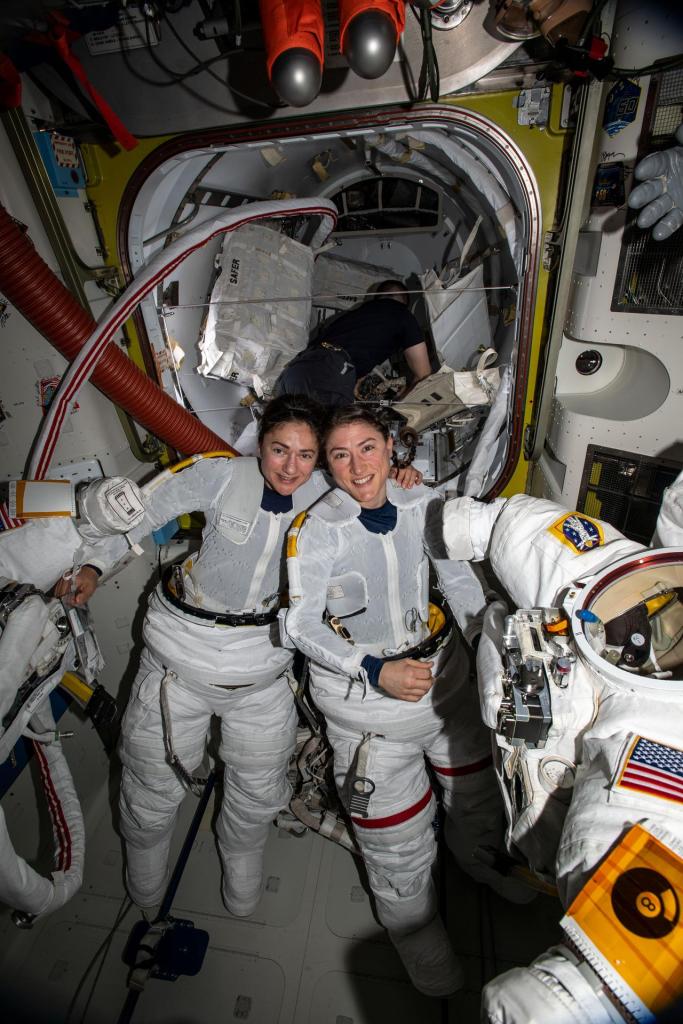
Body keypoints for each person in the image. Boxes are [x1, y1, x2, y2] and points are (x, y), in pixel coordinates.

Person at [57, 395, 421, 919]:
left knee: (258, 788)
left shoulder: (329, 496)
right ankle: (144, 862)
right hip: (178, 665)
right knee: (149, 780)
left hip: (262, 670)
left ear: (319, 459)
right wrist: (93, 565)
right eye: (279, 450)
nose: (290, 468)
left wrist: (404, 479)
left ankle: (242, 856)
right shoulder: (219, 475)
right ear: (261, 444)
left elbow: (380, 496)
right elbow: (143, 512)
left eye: (305, 456)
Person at [284, 405, 528, 999]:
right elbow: (299, 626)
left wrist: (488, 648)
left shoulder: (425, 504)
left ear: (391, 447)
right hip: (368, 714)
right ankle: (419, 939)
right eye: (340, 455)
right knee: (394, 844)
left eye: (367, 447)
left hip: (444, 685)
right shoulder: (316, 530)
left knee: (476, 794)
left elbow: (463, 582)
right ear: (328, 466)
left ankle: (481, 859)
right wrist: (374, 670)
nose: (356, 465)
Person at [441, 491, 683, 1023]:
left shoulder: (654, 754)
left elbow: (566, 1002)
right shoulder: (621, 580)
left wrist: (583, 996)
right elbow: (553, 547)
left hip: (558, 829)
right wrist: (482, 526)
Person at [275, 279, 433, 406]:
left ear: (377, 297)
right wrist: (399, 402)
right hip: (330, 375)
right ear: (405, 302)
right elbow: (425, 376)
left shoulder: (356, 315)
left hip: (296, 370)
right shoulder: (403, 315)